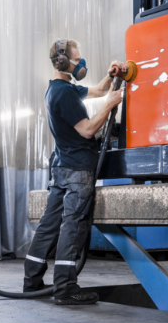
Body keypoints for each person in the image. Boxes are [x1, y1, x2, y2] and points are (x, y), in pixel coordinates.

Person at [23, 38, 124, 305]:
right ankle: (65, 288)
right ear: (64, 62)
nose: (81, 63)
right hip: (78, 168)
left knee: (48, 225)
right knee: (73, 226)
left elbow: (98, 90)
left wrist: (110, 76)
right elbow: (88, 130)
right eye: (78, 59)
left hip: (62, 168)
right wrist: (111, 105)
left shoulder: (59, 88)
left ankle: (32, 282)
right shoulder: (65, 94)